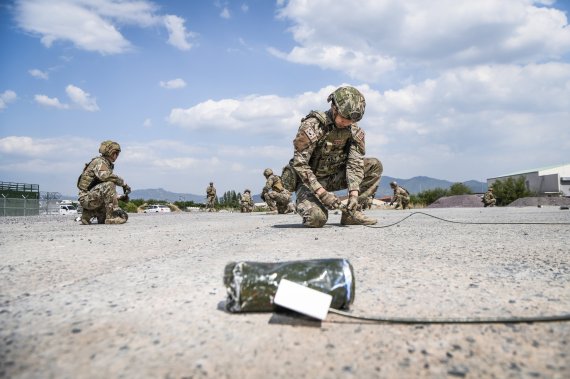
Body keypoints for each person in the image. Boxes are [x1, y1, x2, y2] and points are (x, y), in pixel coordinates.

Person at [286, 86, 382, 227]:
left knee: (374, 165)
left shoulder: (353, 130)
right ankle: (309, 204)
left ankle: (351, 214)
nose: (347, 123)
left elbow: (354, 164)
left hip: (333, 178)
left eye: (351, 120)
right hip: (308, 182)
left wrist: (354, 195)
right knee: (317, 219)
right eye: (344, 118)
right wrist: (323, 194)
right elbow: (300, 164)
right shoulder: (314, 125)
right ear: (334, 108)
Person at [77, 140, 131, 225]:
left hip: (91, 198)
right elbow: (105, 176)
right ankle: (111, 217)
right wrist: (123, 184)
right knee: (110, 184)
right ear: (112, 153)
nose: (117, 156)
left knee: (121, 216)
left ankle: (88, 214)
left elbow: (103, 190)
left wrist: (119, 197)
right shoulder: (99, 162)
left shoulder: (105, 163)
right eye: (116, 153)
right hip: (87, 198)